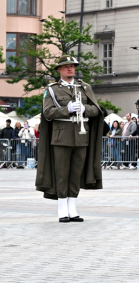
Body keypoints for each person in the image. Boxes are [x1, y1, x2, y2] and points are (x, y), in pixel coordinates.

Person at [35, 56, 106, 222]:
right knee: (61, 173)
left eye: (72, 67)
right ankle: (62, 210)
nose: (70, 69)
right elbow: (47, 112)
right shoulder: (52, 89)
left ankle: (73, 208)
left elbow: (97, 110)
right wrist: (66, 109)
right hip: (61, 136)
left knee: (76, 173)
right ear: (59, 70)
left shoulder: (85, 88)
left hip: (81, 136)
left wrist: (84, 108)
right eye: (66, 67)